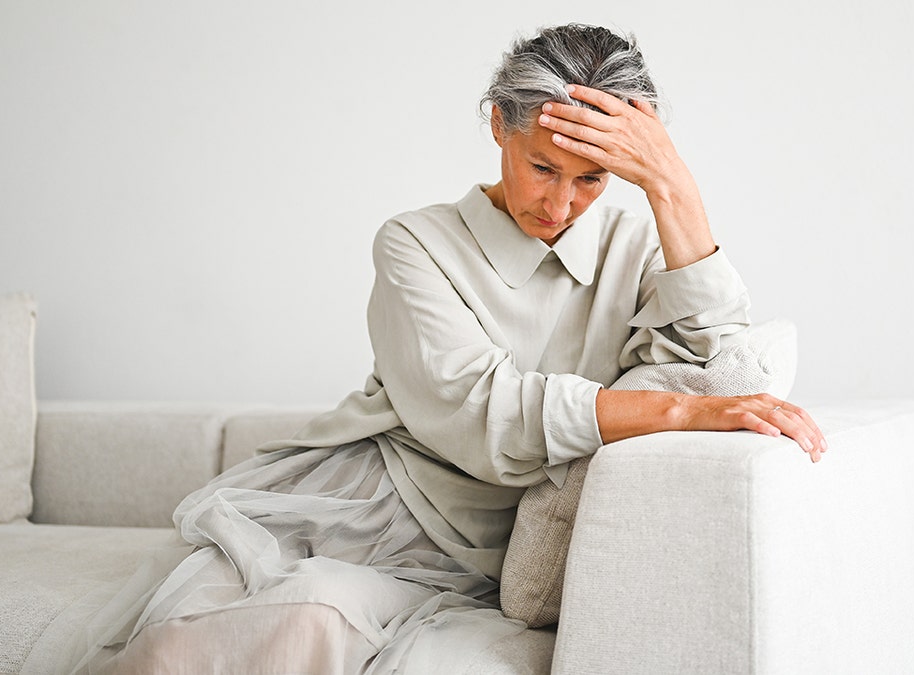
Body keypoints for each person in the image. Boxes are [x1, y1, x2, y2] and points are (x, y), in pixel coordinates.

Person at [78, 23, 825, 675]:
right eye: (542, 167)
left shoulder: (635, 248)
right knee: (201, 646)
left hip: (483, 556)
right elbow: (489, 417)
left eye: (592, 179)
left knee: (314, 628)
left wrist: (671, 183)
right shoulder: (415, 242)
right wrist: (680, 411)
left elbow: (719, 350)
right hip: (371, 506)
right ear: (499, 125)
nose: (560, 205)